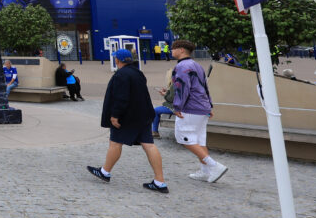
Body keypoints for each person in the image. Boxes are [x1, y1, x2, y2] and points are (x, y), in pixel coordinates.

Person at [86, 49, 168, 193]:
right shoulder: (138, 73)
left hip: (128, 117)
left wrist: (115, 115)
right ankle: (160, 181)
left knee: (115, 142)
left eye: (115, 59)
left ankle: (105, 172)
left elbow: (121, 97)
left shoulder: (121, 75)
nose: (115, 61)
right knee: (149, 145)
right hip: (144, 115)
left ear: (118, 60)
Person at [171, 39, 228, 183]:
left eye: (173, 48)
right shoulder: (197, 65)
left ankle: (214, 166)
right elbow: (204, 86)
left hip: (190, 108)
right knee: (199, 140)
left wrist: (177, 106)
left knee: (184, 138)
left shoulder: (182, 66)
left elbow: (182, 88)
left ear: (181, 50)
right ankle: (205, 171)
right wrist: (209, 106)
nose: (171, 51)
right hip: (202, 107)